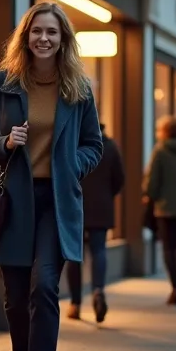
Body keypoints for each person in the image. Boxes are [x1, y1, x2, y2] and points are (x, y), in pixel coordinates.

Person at [0, 1, 103, 351]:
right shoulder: (1, 83)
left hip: (57, 203)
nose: (44, 38)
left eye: (52, 33)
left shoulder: (78, 89)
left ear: (64, 40)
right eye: (36, 31)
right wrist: (5, 143)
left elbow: (92, 146)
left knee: (44, 287)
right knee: (14, 298)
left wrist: (72, 166)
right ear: (26, 37)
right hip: (14, 201)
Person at [68, 122, 124, 323]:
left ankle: (75, 304)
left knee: (75, 254)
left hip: (75, 206)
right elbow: (119, 178)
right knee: (99, 250)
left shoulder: (73, 143)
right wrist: (107, 196)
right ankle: (98, 291)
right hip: (101, 207)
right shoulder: (109, 146)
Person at [145, 116, 176, 305]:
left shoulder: (160, 151)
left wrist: (150, 195)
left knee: (168, 248)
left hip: (165, 209)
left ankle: (175, 286)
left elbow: (152, 183)